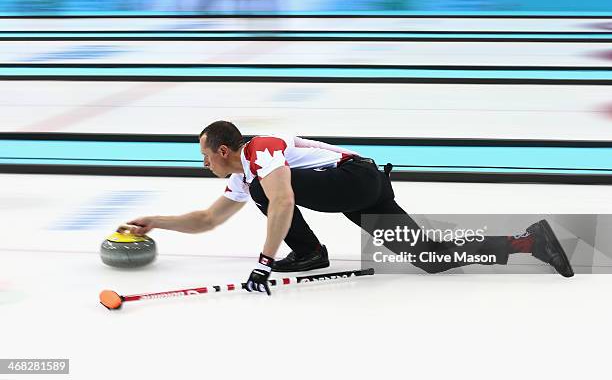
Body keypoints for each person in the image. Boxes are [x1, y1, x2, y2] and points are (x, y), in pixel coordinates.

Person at [119, 120, 574, 295]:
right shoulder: (246, 171)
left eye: (203, 155)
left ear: (222, 149)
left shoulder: (261, 150)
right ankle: (530, 240)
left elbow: (281, 199)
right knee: (431, 257)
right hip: (363, 186)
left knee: (271, 192)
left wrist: (264, 264)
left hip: (355, 179)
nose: (203, 164)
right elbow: (207, 220)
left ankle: (311, 252)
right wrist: (154, 222)